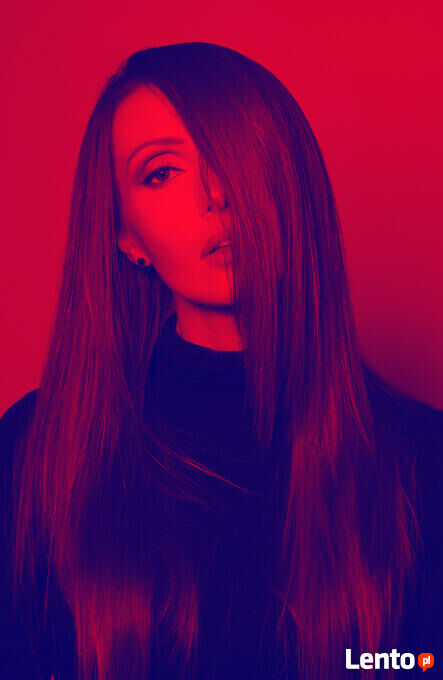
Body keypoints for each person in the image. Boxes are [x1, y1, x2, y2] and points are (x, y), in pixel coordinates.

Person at [1, 41, 442, 680]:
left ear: (293, 184)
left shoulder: (421, 462)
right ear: (126, 236)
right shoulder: (39, 454)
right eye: (161, 173)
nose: (215, 194)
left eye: (237, 156)